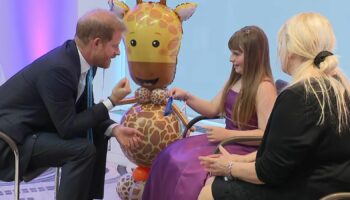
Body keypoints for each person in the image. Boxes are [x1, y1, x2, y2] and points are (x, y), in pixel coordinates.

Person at [198, 12, 350, 200]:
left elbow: (268, 173)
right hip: (335, 186)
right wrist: (241, 159)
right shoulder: (339, 86)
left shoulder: (297, 96)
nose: (280, 52)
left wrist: (228, 167)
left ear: (291, 50)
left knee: (210, 190)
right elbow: (287, 153)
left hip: (308, 190)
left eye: (281, 45)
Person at [0, 9, 142, 200]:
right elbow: (67, 128)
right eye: (115, 46)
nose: (117, 53)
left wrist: (113, 129)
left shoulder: (82, 62)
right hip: (10, 141)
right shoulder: (59, 69)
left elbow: (85, 109)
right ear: (97, 43)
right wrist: (111, 101)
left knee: (96, 136)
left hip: (33, 129)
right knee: (82, 151)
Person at [142, 26, 277, 200]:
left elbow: (265, 134)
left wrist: (228, 133)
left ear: (253, 55)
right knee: (169, 155)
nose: (231, 59)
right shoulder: (236, 79)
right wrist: (187, 96)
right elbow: (213, 108)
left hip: (242, 149)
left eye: (236, 54)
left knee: (190, 170)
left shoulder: (264, 87)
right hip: (226, 141)